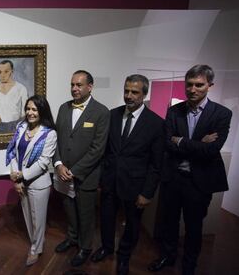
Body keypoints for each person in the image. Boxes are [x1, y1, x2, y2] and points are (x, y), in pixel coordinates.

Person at [148, 65, 232, 275]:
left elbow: (212, 150)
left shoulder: (222, 113)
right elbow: (167, 144)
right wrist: (197, 143)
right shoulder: (174, 111)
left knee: (194, 227)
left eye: (199, 85)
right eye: (189, 84)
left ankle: (189, 265)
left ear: (210, 86)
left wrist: (182, 141)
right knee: (169, 222)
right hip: (174, 177)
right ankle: (168, 256)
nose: (193, 89)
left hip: (199, 181)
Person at [90, 74, 165, 275]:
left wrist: (147, 193)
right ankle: (106, 247)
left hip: (135, 187)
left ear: (144, 94)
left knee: (132, 224)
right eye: (126, 91)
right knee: (106, 217)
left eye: (134, 92)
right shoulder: (112, 115)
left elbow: (156, 164)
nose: (129, 96)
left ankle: (124, 256)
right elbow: (104, 151)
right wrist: (100, 179)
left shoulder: (156, 124)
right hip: (109, 182)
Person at [53, 70, 110, 267]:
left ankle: (85, 247)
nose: (74, 89)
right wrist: (59, 164)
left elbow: (98, 148)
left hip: (86, 176)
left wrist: (75, 171)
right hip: (63, 173)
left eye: (79, 85)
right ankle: (72, 238)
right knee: (69, 209)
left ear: (90, 86)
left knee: (86, 214)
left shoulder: (101, 112)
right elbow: (57, 140)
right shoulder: (63, 108)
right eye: (72, 85)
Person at [6, 95, 57, 266]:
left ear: (42, 111)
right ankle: (36, 242)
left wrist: (21, 175)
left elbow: (43, 162)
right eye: (28, 109)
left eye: (34, 109)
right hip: (21, 181)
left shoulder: (49, 134)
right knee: (28, 216)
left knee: (38, 218)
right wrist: (16, 177)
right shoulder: (21, 127)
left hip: (39, 184)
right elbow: (13, 152)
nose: (30, 112)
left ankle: (36, 249)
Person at [0, 59, 28, 134]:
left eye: (6, 72)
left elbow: (25, 111)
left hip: (15, 126)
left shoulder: (21, 89)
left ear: (12, 72)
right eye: (0, 72)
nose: (2, 75)